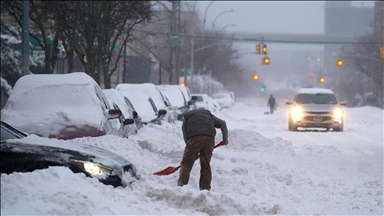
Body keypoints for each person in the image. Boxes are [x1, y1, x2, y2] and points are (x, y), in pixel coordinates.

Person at [178, 109, 228, 191]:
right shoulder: (209, 115)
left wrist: (191, 150)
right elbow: (222, 123)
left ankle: (181, 186)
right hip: (209, 139)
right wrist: (225, 138)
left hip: (195, 138)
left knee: (186, 163)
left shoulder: (187, 117)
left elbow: (185, 134)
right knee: (205, 164)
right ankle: (205, 188)